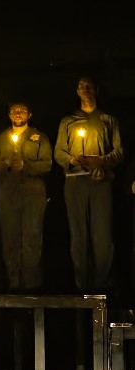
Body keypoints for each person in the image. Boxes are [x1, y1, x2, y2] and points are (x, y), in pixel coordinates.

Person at [54, 76, 124, 294]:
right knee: (78, 234)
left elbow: (119, 151)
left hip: (100, 181)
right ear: (77, 91)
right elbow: (59, 152)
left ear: (96, 90)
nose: (85, 90)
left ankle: (102, 287)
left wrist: (102, 161)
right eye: (81, 87)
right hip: (75, 182)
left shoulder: (108, 120)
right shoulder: (68, 121)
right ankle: (81, 287)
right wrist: (73, 160)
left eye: (89, 86)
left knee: (102, 234)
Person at [0, 101, 53, 291]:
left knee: (32, 238)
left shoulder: (39, 138)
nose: (17, 113)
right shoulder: (0, 140)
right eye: (13, 111)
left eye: (22, 110)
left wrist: (26, 166)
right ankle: (14, 285)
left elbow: (47, 164)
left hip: (33, 194)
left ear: (29, 114)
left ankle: (32, 287)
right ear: (9, 115)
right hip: (8, 195)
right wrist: (6, 163)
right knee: (10, 239)